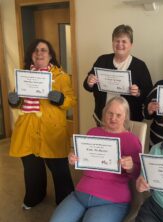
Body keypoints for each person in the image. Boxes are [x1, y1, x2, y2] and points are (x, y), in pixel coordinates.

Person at [50, 96, 142, 222]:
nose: (113, 118)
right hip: (80, 194)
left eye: (118, 115)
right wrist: (74, 157)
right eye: (110, 113)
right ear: (104, 113)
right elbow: (84, 159)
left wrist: (131, 167)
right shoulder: (93, 132)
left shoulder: (131, 140)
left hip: (111, 200)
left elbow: (139, 173)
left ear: (125, 117)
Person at [8, 39, 76, 209]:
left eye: (43, 50)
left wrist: (61, 99)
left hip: (51, 130)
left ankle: (66, 202)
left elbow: (71, 100)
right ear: (31, 55)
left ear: (50, 55)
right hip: (27, 129)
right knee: (32, 169)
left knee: (60, 169)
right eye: (36, 50)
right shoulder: (24, 76)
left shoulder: (61, 76)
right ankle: (34, 196)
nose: (39, 53)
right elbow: (19, 99)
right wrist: (14, 101)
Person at [83, 24, 153, 125]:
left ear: (131, 44)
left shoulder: (140, 66)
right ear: (112, 42)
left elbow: (148, 93)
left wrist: (138, 92)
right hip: (103, 117)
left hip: (129, 120)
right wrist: (89, 82)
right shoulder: (102, 60)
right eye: (117, 41)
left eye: (124, 41)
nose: (120, 44)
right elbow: (87, 86)